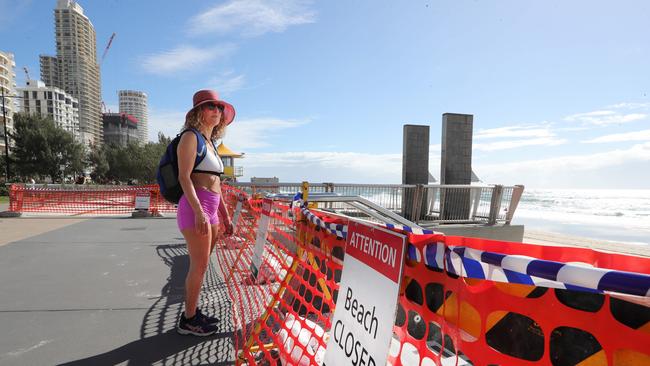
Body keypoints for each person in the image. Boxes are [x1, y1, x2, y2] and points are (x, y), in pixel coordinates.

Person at [176, 89, 235, 336]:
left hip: (210, 209)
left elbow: (216, 184)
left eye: (219, 108)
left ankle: (192, 313)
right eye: (211, 106)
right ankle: (188, 320)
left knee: (201, 265)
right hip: (195, 208)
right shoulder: (190, 137)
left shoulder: (210, 144)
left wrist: (225, 215)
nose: (217, 111)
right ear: (199, 112)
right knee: (199, 266)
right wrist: (199, 211)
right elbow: (184, 177)